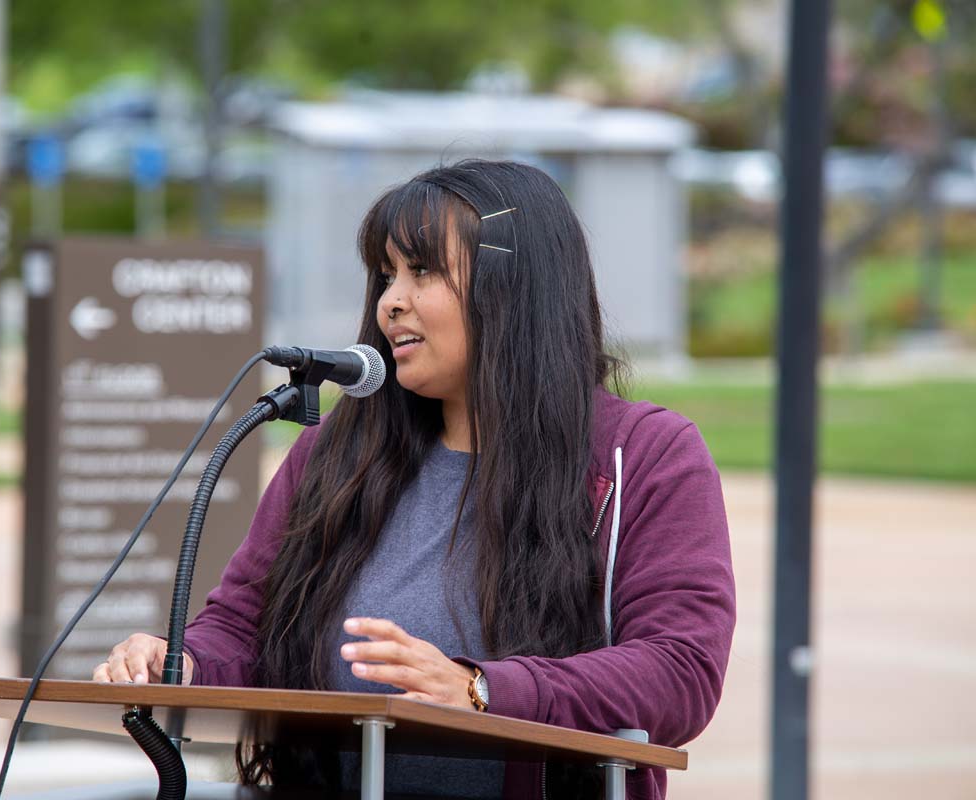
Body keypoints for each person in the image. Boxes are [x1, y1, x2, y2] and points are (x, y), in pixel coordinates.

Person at [94, 159, 736, 799]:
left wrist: (482, 689)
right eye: (385, 274)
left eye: (422, 270)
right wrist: (179, 662)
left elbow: (680, 671)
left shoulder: (645, 455)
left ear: (514, 284)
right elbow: (242, 630)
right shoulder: (333, 454)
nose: (391, 301)